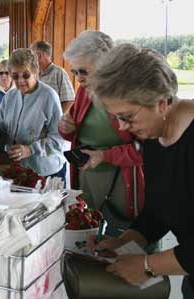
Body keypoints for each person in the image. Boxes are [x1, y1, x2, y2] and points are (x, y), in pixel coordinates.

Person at [89, 43, 194, 298]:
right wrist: (125, 241)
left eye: (127, 117)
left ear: (161, 102)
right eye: (116, 118)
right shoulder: (154, 139)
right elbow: (158, 210)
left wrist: (147, 265)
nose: (123, 128)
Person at [58, 30, 144, 237]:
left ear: (107, 65)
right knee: (89, 233)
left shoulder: (128, 95)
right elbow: (75, 133)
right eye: (75, 72)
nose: (79, 79)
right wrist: (65, 128)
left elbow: (145, 150)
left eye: (84, 72)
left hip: (121, 179)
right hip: (88, 173)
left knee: (123, 238)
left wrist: (105, 156)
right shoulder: (83, 91)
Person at [0, 48, 67, 180]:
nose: (20, 80)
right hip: (17, 168)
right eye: (15, 76)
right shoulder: (10, 96)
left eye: (26, 75)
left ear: (35, 71)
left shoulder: (49, 97)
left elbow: (59, 140)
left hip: (46, 171)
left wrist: (30, 149)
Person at [30, 41, 75, 113]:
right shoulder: (34, 75)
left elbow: (69, 100)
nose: (29, 58)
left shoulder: (59, 72)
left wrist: (58, 120)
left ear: (39, 56)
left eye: (31, 54)